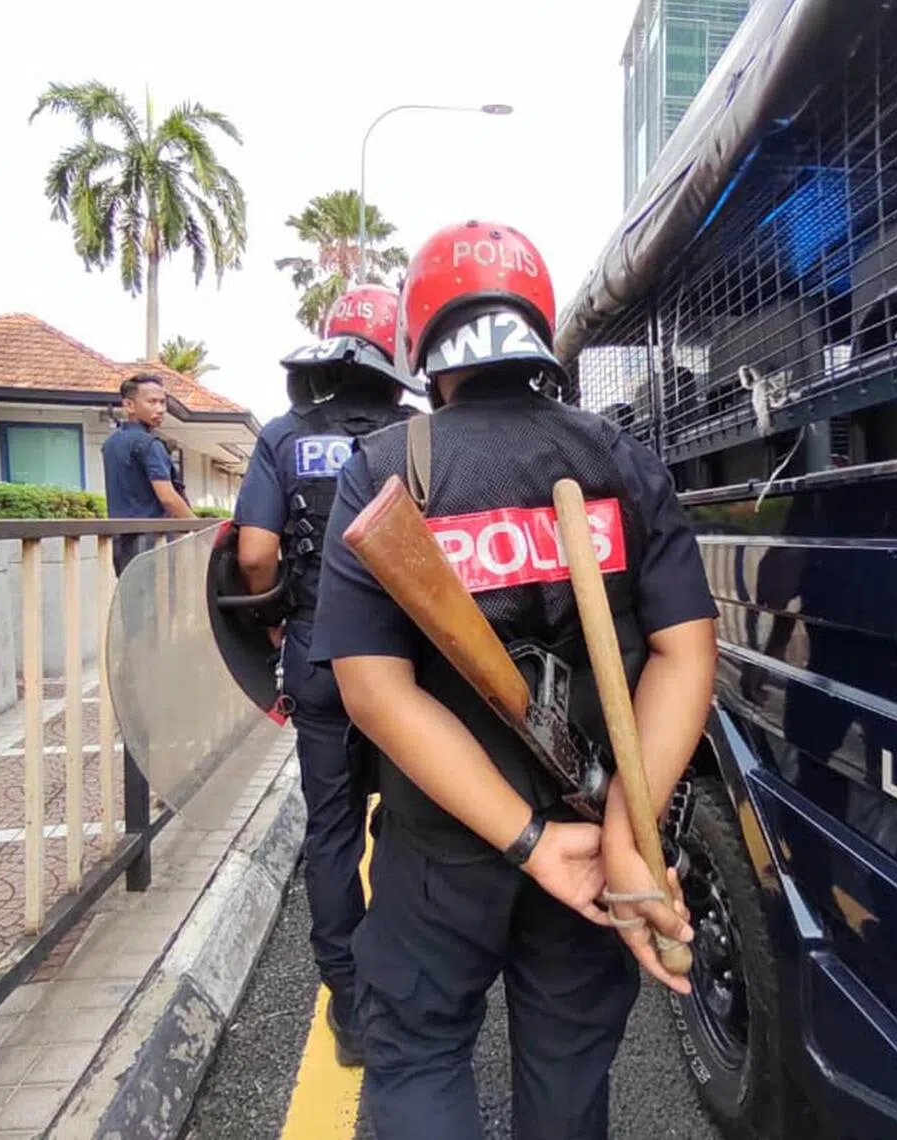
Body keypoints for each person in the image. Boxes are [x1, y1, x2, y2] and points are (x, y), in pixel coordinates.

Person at [310, 220, 719, 1139]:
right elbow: (687, 652)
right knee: (569, 1074)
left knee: (417, 1058)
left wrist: (528, 842)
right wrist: (622, 836)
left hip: (445, 847)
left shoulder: (388, 471)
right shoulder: (619, 459)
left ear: (425, 345)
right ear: (535, 329)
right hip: (597, 827)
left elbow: (375, 693)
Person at [231, 285, 424, 1066]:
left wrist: (276, 622)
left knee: (332, 832)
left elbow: (252, 553)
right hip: (411, 670)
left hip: (318, 659)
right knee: (415, 823)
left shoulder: (283, 437)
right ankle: (409, 983)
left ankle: (348, 1005)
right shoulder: (424, 438)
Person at [102, 372, 194, 578]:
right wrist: (197, 527)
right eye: (152, 402)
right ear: (129, 405)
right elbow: (168, 497)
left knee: (133, 605)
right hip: (154, 543)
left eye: (163, 402)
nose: (160, 409)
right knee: (163, 606)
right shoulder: (150, 444)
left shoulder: (110, 444)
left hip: (122, 543)